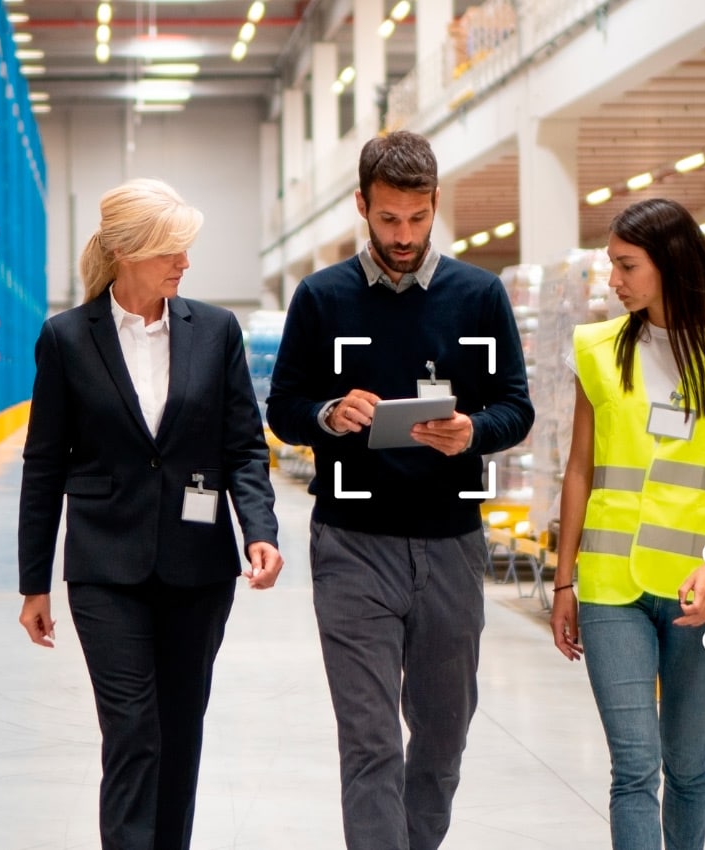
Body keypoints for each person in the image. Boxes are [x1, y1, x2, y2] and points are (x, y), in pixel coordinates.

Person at [266, 130, 534, 850]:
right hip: (352, 548)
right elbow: (283, 406)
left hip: (450, 547)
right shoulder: (321, 298)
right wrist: (329, 414)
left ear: (435, 205)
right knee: (371, 741)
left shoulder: (479, 296)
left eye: (417, 219)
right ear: (362, 205)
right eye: (388, 220)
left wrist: (472, 431)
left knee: (442, 741)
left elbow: (517, 406)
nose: (404, 236)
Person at [17, 177, 284, 850]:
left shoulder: (215, 330)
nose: (185, 263)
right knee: (133, 730)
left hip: (198, 570)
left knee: (179, 729)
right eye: (173, 249)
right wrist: (34, 583)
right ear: (131, 251)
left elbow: (243, 449)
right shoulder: (68, 339)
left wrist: (261, 532)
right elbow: (44, 465)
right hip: (106, 566)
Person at [550, 197, 705, 850]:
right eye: (611, 266)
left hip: (701, 591)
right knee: (634, 768)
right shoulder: (597, 350)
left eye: (626, 266)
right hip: (608, 585)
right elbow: (578, 470)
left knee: (685, 763)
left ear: (671, 262)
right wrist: (563, 581)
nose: (613, 281)